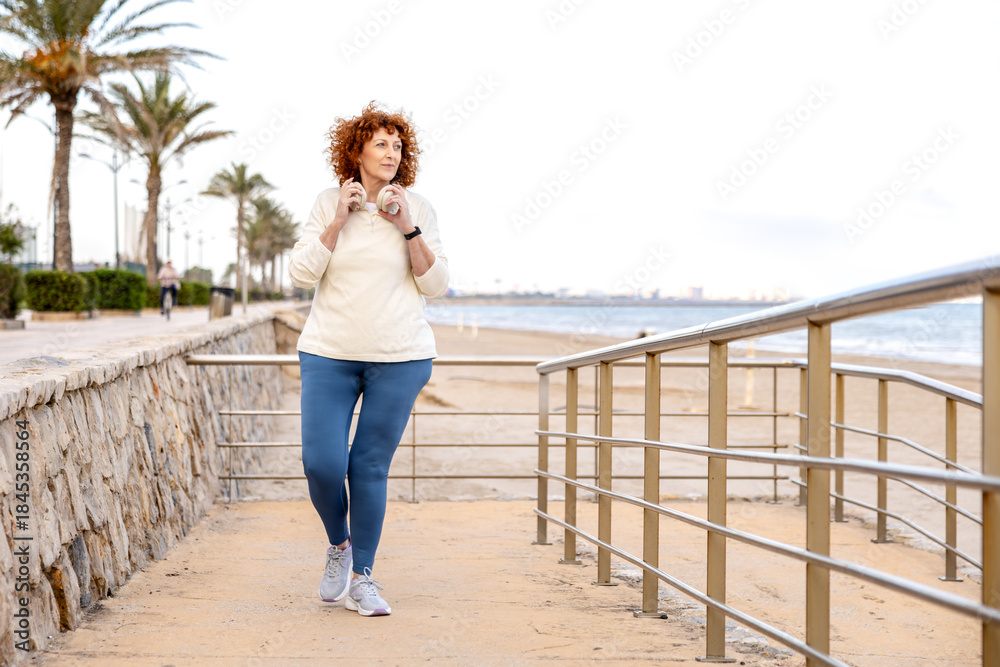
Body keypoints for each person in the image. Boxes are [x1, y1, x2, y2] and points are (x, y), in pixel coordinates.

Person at [287, 101, 448, 617]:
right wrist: (339, 218)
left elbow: (436, 284)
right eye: (380, 143)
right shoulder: (326, 203)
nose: (391, 153)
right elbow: (301, 274)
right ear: (356, 152)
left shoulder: (417, 208)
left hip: (400, 357)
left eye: (398, 145)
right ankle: (339, 544)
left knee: (368, 467)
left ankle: (363, 577)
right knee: (322, 464)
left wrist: (408, 228)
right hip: (328, 352)